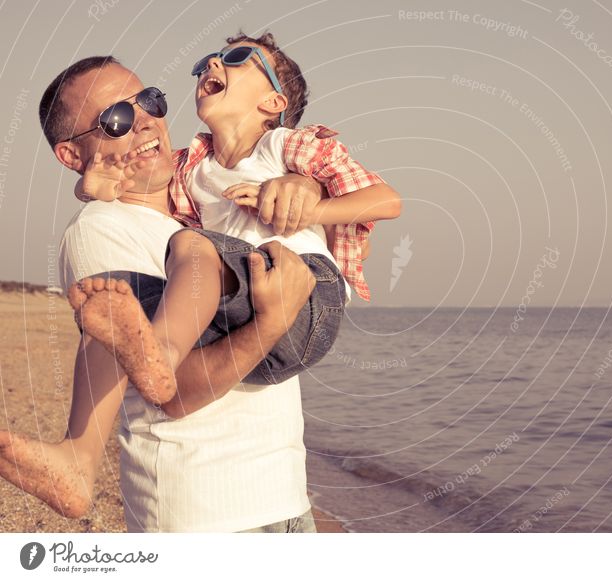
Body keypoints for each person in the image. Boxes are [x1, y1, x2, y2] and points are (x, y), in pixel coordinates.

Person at [0, 54, 351, 532]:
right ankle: (76, 457)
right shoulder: (102, 230)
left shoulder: (205, 199)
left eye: (149, 101)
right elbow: (172, 392)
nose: (145, 122)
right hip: (205, 515)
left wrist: (303, 183)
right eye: (116, 119)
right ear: (71, 155)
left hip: (284, 498)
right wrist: (270, 323)